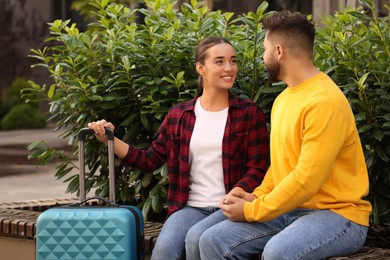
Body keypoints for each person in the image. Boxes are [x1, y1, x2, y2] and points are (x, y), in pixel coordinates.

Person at [198, 11, 372, 260]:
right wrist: (255, 195)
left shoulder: (324, 102)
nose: (262, 56)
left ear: (279, 51)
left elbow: (306, 179)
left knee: (278, 252)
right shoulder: (283, 99)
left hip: (338, 216)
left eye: (265, 49)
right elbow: (281, 167)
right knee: (212, 240)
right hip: (289, 209)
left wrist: (252, 210)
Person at [88, 36, 269, 260]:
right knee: (164, 251)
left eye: (233, 61)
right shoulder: (179, 115)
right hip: (189, 207)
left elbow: (257, 167)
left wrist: (238, 192)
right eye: (219, 62)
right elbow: (150, 159)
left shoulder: (249, 113)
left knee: (196, 238)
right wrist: (110, 140)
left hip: (230, 207)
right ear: (200, 68)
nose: (229, 68)